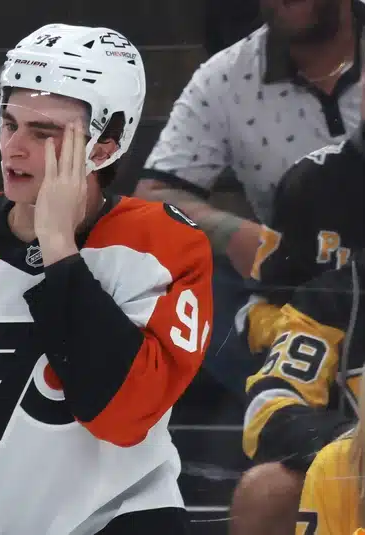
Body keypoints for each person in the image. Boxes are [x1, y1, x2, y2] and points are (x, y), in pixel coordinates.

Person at [0, 24, 214, 535]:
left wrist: (58, 247)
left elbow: (124, 416)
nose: (13, 148)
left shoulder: (165, 246)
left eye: (44, 132)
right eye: (9, 123)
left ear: (105, 144)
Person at [133, 0, 366, 394]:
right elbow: (152, 200)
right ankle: (271, 407)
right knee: (185, 278)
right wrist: (236, 235)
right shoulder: (226, 78)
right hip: (295, 286)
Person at [230, 20, 370, 534]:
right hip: (347, 443)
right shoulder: (340, 289)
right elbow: (271, 397)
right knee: (268, 490)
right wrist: (352, 444)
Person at [230, 249, 370, 535]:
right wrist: (353, 444)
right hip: (357, 476)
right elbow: (267, 406)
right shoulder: (335, 296)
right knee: (267, 491)